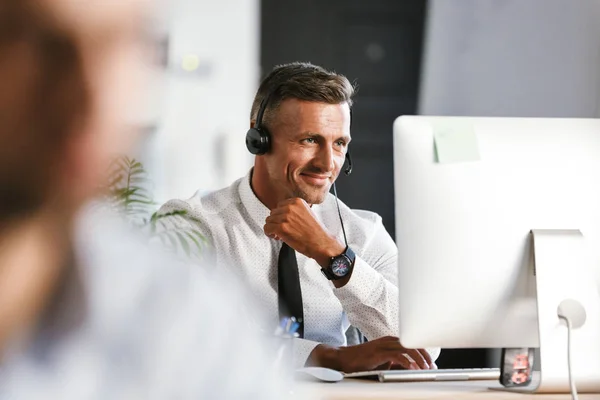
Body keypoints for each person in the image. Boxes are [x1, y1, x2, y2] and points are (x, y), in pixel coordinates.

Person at [0, 1, 291, 398]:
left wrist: (335, 260)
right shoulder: (200, 225)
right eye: (43, 45)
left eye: (118, 42)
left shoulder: (175, 314)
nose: (90, 95)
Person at [158, 61, 441, 373]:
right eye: (310, 140)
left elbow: (424, 346)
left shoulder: (363, 232)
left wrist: (334, 256)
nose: (327, 163)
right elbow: (178, 338)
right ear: (259, 137)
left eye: (339, 144)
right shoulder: (192, 223)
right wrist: (329, 357)